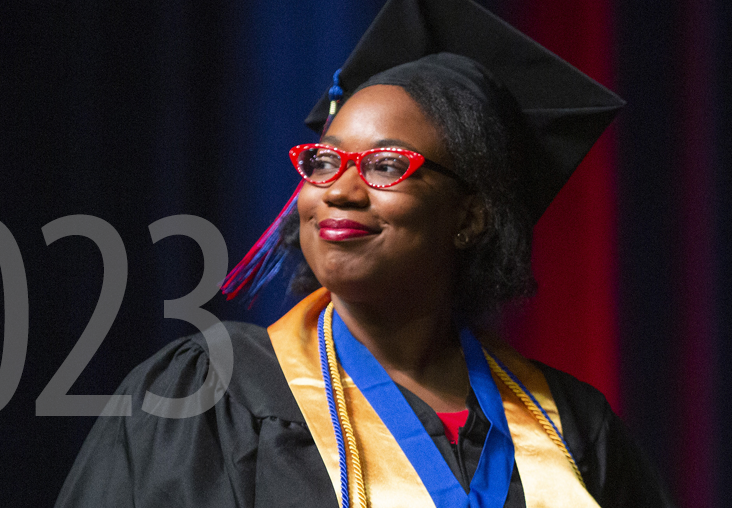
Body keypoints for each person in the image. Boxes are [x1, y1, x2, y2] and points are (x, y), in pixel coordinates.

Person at [55, 0, 673, 506]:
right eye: (324, 161)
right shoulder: (211, 396)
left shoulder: (570, 428)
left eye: (384, 165)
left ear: (470, 215)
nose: (340, 190)